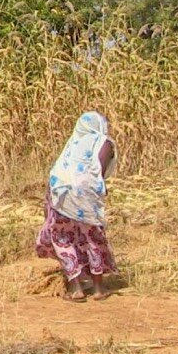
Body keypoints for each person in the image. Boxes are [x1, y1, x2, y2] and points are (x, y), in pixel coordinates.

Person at [36, 111, 118, 302]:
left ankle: (76, 288)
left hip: (61, 193)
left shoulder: (72, 143)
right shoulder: (103, 142)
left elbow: (60, 171)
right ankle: (98, 288)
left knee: (64, 238)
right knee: (92, 237)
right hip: (85, 194)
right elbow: (98, 171)